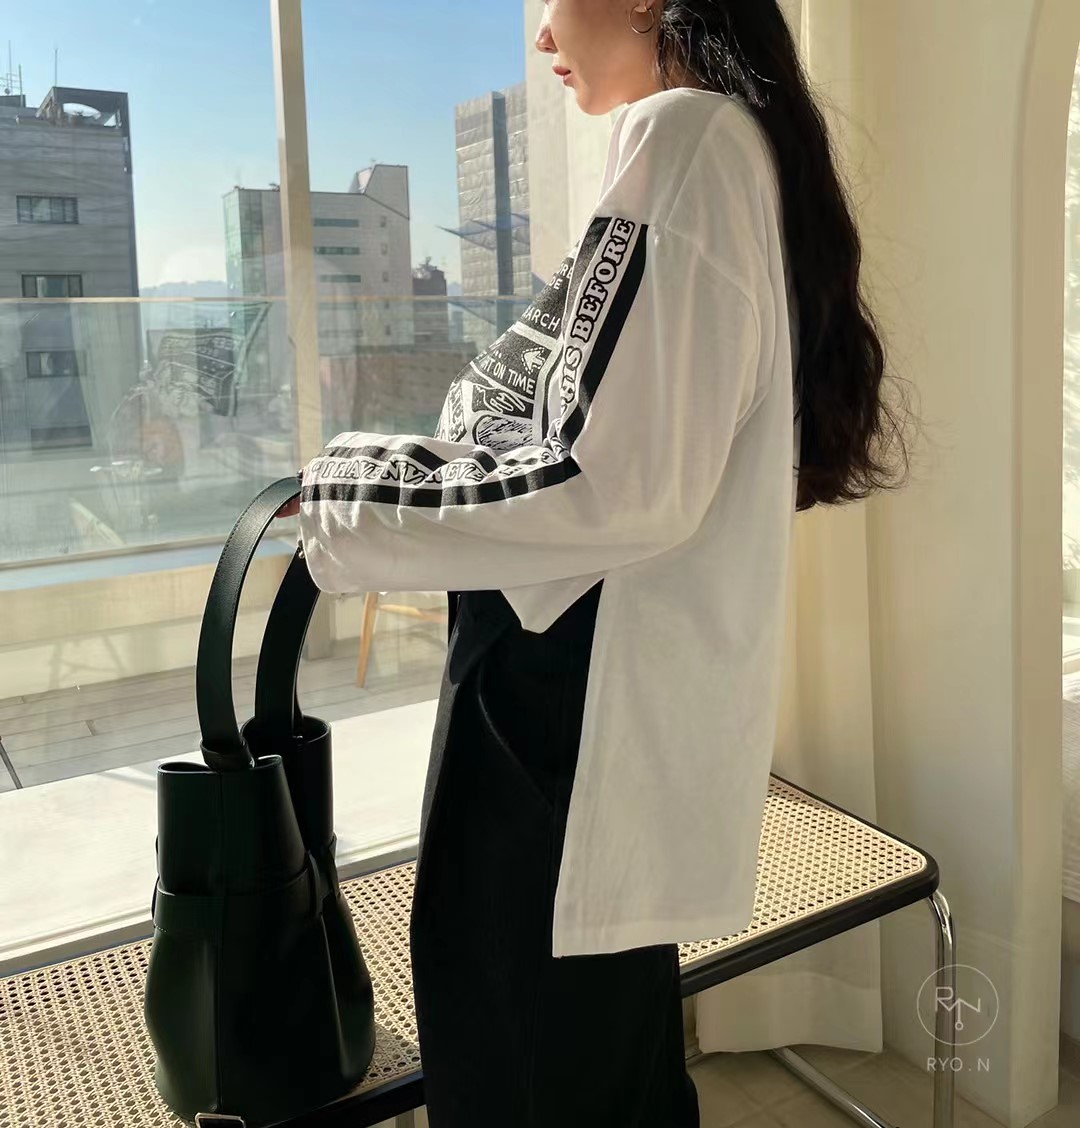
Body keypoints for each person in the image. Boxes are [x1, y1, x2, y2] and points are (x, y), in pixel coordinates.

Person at [280, 1, 913, 1124]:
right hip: (575, 690)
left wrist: (342, 494)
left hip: (557, 705)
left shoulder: (688, 140)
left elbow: (608, 478)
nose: (539, 37)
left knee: (522, 1066)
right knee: (590, 1062)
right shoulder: (719, 147)